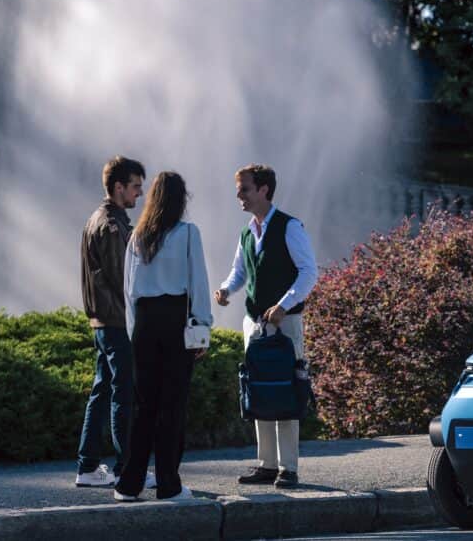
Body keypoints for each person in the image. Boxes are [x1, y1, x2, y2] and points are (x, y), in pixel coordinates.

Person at [215, 164, 318, 489]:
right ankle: (267, 464)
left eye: (244, 189)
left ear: (263, 190)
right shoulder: (248, 231)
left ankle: (289, 468)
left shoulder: (290, 227)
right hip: (255, 323)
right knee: (260, 388)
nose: (239, 195)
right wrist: (225, 289)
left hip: (286, 322)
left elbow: (308, 272)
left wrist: (283, 306)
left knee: (286, 388)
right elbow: (240, 271)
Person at [113, 171, 212, 502]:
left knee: (143, 406)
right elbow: (198, 282)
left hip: (143, 323)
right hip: (174, 322)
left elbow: (128, 292)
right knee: (172, 405)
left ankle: (129, 484)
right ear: (181, 200)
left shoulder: (137, 236)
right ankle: (168, 484)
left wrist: (132, 332)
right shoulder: (187, 233)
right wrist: (202, 327)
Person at [76, 155, 144, 487]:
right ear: (119, 188)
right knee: (122, 395)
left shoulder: (96, 219)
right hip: (117, 320)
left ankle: (87, 467)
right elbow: (124, 280)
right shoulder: (112, 226)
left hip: (102, 321)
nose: (139, 195)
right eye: (135, 187)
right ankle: (127, 470)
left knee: (101, 391)